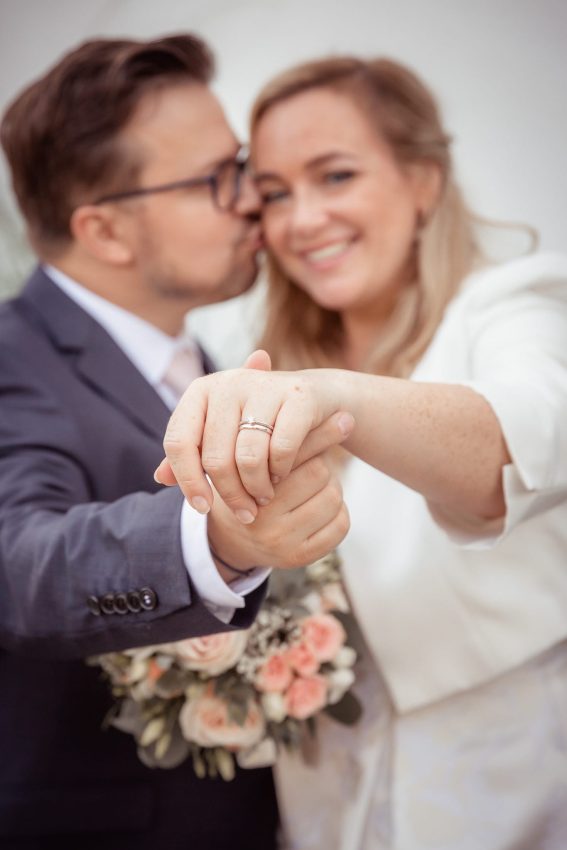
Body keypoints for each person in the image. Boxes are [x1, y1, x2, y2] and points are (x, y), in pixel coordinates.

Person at [159, 56, 567, 848]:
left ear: (423, 180)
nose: (302, 219)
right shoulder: (254, 359)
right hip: (320, 794)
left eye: (335, 176)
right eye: (274, 192)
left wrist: (336, 396)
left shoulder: (513, 303)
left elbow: (532, 432)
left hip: (505, 777)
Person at [0, 36, 352, 850]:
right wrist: (218, 539)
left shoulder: (208, 360)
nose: (253, 199)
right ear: (105, 231)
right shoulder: (12, 359)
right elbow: (18, 563)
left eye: (241, 166)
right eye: (215, 179)